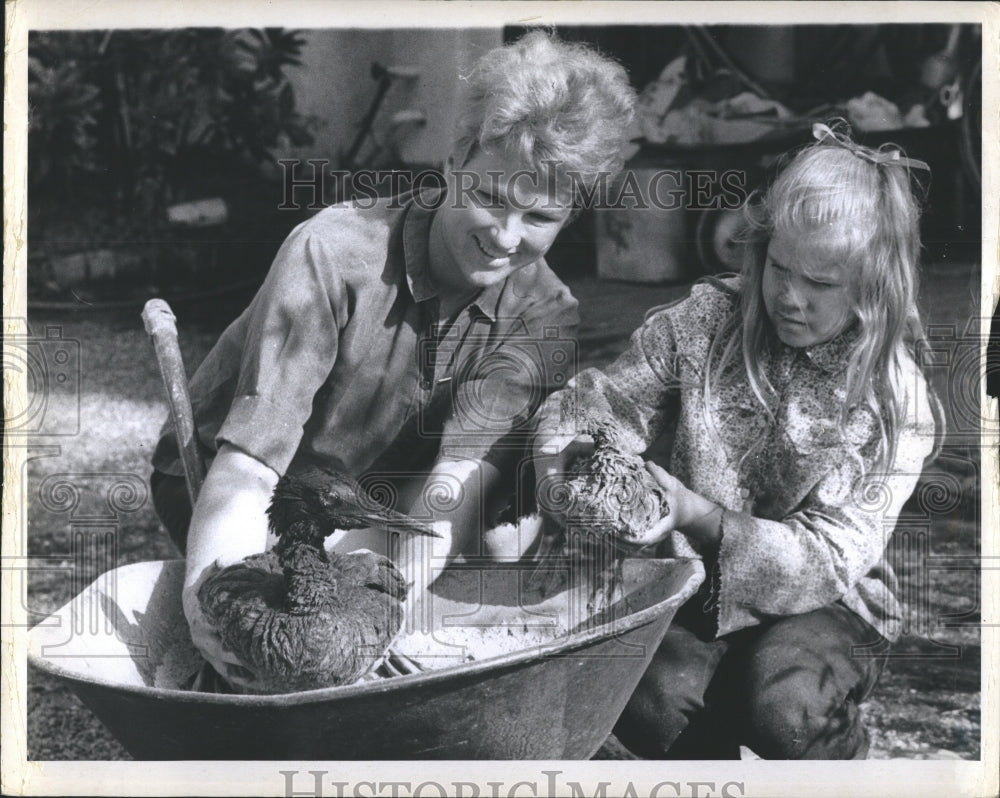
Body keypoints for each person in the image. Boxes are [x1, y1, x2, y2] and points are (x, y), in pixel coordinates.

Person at [148, 31, 636, 688]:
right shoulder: (332, 252)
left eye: (540, 216)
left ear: (569, 215)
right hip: (235, 482)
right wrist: (209, 601)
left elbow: (451, 488)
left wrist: (368, 612)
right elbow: (249, 467)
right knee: (248, 645)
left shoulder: (546, 313)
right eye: (490, 196)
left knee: (491, 537)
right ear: (456, 161)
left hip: (378, 491)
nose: (505, 236)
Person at [533, 122, 943, 759]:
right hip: (695, 584)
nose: (788, 297)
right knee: (639, 691)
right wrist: (572, 465)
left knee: (783, 706)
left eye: (822, 284)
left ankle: (841, 761)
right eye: (779, 267)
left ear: (872, 284)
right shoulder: (702, 324)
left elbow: (829, 557)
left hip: (833, 601)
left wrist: (697, 514)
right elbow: (603, 404)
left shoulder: (892, 397)